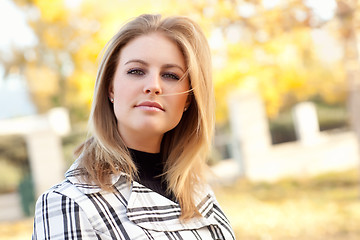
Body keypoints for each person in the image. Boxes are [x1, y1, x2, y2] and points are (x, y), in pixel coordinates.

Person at [32, 14, 235, 240]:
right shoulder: (69, 203)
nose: (153, 86)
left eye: (170, 75)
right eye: (136, 71)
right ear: (110, 88)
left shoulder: (195, 189)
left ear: (188, 99)